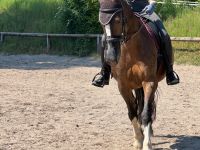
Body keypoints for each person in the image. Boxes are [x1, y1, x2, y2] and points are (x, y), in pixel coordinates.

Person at [92, 0, 179, 87]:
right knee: (105, 38)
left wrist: (152, 4)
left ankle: (169, 71)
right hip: (124, 13)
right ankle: (104, 73)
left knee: (164, 34)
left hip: (145, 11)